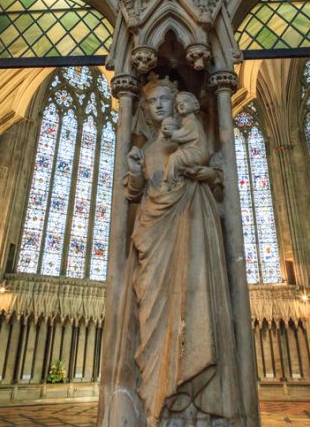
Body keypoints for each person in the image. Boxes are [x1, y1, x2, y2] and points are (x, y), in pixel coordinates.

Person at [120, 75, 240, 427]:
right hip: (152, 234)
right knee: (151, 309)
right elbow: (133, 193)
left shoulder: (191, 134)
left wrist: (206, 174)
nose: (157, 106)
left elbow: (216, 179)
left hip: (190, 221)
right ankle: (158, 398)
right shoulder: (147, 149)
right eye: (151, 101)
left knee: (194, 301)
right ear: (143, 109)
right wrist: (135, 172)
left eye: (163, 99)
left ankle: (193, 399)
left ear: (176, 101)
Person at [161, 92, 209, 189]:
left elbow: (186, 134)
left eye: (185, 101)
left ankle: (168, 184)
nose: (181, 104)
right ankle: (176, 180)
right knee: (173, 159)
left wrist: (172, 134)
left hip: (196, 153)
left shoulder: (192, 121)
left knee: (175, 158)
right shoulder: (185, 121)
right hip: (191, 152)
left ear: (195, 105)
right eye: (179, 103)